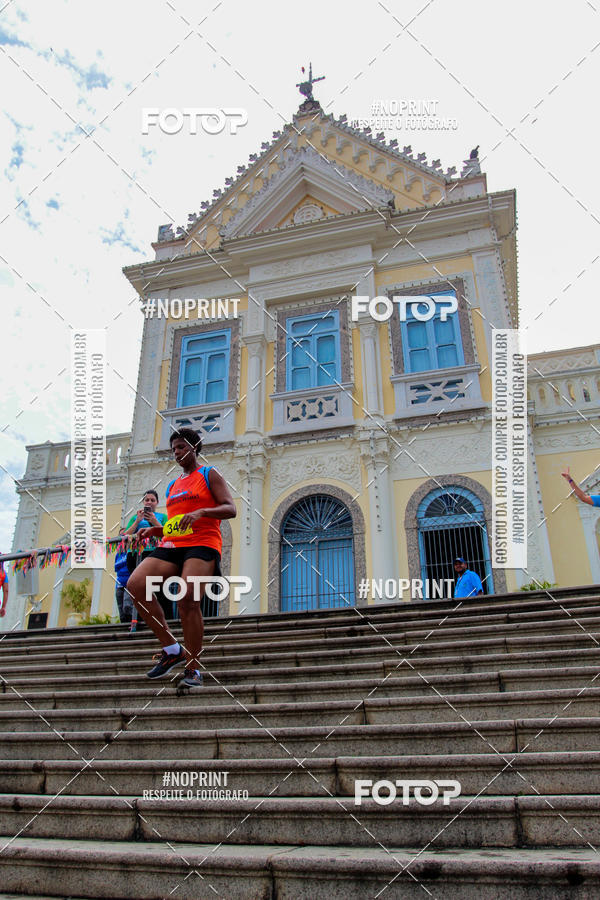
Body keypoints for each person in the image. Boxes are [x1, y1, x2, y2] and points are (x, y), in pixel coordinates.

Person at [126, 427, 236, 688]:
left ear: (194, 447)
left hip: (203, 543)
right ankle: (172, 649)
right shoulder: (173, 485)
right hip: (174, 543)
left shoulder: (209, 473)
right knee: (136, 585)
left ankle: (193, 669)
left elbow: (230, 508)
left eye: (181, 447)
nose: (176, 452)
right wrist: (154, 531)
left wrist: (202, 512)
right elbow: (176, 524)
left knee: (187, 599)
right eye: (174, 448)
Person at [123, 489, 168, 631]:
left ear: (157, 503)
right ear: (143, 502)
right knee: (138, 587)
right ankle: (139, 619)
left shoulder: (162, 516)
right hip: (135, 555)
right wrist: (137, 521)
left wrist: (153, 521)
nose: (149, 502)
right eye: (147, 500)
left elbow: (166, 534)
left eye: (152, 500)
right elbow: (125, 536)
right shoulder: (135, 517)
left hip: (154, 554)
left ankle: (164, 619)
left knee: (158, 587)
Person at [114, 551, 133, 623]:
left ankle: (130, 623)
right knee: (121, 609)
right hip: (119, 584)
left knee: (127, 606)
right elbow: (116, 568)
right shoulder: (118, 555)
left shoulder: (132, 553)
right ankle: (123, 624)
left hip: (129, 583)